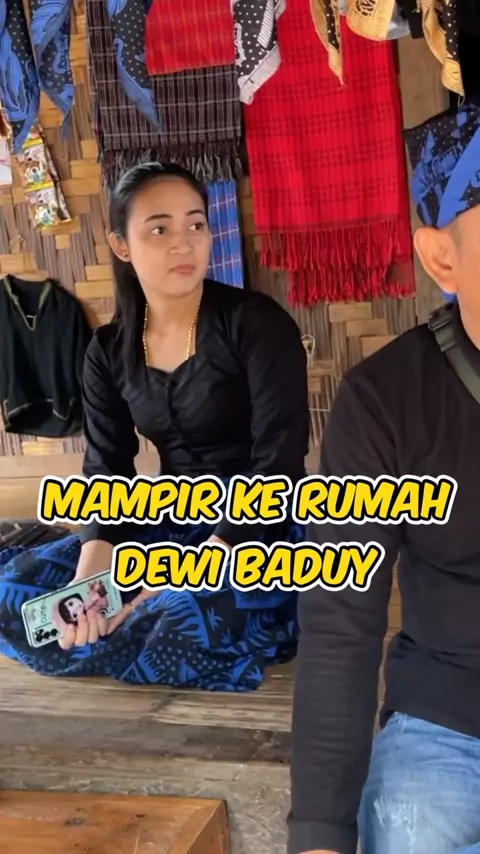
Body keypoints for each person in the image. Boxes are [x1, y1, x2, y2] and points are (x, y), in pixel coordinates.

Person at [0, 161, 309, 690]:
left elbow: (278, 464)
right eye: (159, 229)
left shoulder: (256, 324)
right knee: (20, 595)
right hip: (169, 517)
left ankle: (146, 624)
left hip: (257, 528)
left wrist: (182, 577)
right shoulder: (107, 351)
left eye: (195, 224)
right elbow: (107, 474)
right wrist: (89, 585)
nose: (183, 243)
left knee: (180, 616)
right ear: (122, 245)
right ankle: (117, 626)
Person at [288, 100, 480, 854]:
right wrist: (318, 835)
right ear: (441, 259)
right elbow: (340, 622)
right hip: (449, 721)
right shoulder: (384, 401)